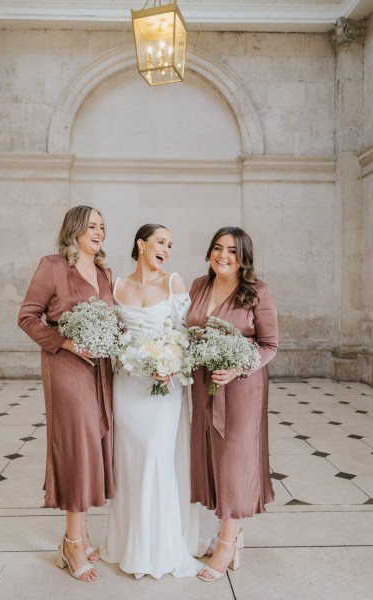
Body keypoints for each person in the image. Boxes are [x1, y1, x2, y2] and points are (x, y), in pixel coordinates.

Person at [18, 205, 115, 582]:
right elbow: (27, 316)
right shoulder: (53, 265)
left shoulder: (106, 272)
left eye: (103, 227)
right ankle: (73, 542)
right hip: (66, 366)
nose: (99, 232)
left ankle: (81, 533)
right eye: (92, 226)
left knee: (95, 444)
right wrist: (65, 342)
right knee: (78, 446)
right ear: (74, 230)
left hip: (101, 371)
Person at [100, 223, 202, 579]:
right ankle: (129, 541)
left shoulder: (173, 282)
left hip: (164, 386)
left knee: (156, 457)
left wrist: (171, 365)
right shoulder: (116, 286)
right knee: (129, 460)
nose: (167, 249)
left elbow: (186, 334)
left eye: (170, 244)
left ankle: (159, 548)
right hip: (127, 384)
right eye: (161, 242)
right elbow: (113, 336)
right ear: (141, 244)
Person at [186, 226, 278, 582]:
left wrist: (238, 367)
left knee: (234, 460)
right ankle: (226, 531)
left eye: (233, 251)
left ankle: (228, 540)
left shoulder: (257, 292)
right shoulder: (198, 285)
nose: (223, 256)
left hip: (241, 389)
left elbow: (269, 344)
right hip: (202, 385)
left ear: (244, 258)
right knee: (211, 454)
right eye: (218, 248)